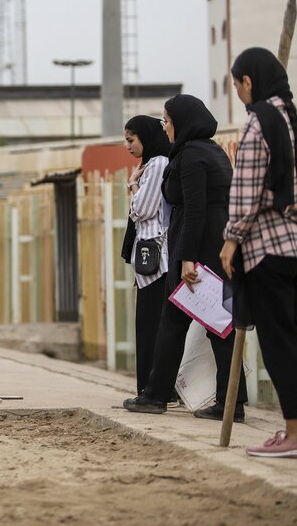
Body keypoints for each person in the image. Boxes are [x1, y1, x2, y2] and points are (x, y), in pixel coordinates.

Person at [124, 94, 248, 421]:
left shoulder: (192, 157)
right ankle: (232, 402)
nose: (165, 127)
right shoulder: (213, 151)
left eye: (167, 120)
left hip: (198, 247)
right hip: (217, 245)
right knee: (221, 324)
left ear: (182, 120)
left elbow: (193, 210)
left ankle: (155, 395)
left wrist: (188, 259)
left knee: (173, 321)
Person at [220, 47, 297, 458]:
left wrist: (231, 239)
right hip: (293, 243)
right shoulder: (289, 118)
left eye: (236, 84)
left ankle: (293, 433)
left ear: (249, 82)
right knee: (292, 337)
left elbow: (246, 191)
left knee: (279, 342)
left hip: (266, 248)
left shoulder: (259, 123)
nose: (236, 92)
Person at [120, 116, 172, 399]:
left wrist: (133, 185)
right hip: (148, 262)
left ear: (147, 137)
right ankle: (147, 388)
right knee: (147, 326)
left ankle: (153, 391)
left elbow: (142, 209)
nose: (127, 146)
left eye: (131, 140)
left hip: (156, 262)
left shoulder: (159, 164)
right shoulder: (150, 166)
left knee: (152, 327)